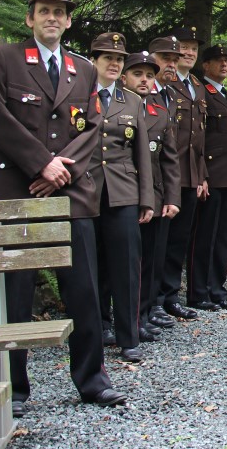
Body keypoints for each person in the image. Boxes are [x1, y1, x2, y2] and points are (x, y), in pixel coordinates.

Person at [0, 0, 127, 412]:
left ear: (67, 21)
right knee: (16, 292)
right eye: (44, 11)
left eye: (59, 12)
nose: (52, 18)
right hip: (16, 191)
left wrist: (59, 171)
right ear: (30, 18)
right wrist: (40, 163)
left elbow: (92, 126)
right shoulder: (4, 58)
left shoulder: (82, 69)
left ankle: (92, 381)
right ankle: (16, 387)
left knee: (82, 290)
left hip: (69, 194)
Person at [88, 33, 154, 364]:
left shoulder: (132, 101)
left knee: (127, 265)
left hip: (124, 191)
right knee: (93, 265)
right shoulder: (79, 94)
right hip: (86, 191)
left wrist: (146, 199)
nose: (113, 64)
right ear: (95, 61)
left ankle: (129, 337)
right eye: (107, 59)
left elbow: (142, 153)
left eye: (118, 60)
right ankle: (99, 327)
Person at [121, 48, 181, 334]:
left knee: (151, 262)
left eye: (148, 75)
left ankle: (143, 317)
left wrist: (172, 198)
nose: (144, 80)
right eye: (137, 74)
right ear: (123, 78)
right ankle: (117, 322)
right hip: (124, 195)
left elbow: (170, 160)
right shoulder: (113, 107)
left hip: (155, 197)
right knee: (124, 264)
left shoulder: (160, 111)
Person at [154, 26, 207, 321]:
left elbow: (199, 138)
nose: (188, 54)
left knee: (179, 241)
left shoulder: (197, 86)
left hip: (189, 175)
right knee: (161, 240)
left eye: (192, 50)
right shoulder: (162, 83)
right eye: (182, 49)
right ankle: (155, 299)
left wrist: (201, 176)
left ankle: (171, 296)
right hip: (165, 176)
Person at [189, 44, 227, 310]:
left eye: (226, 61)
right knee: (205, 237)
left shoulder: (225, 94)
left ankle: (217, 289)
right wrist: (202, 176)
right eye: (218, 61)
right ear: (205, 65)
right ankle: (199, 292)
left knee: (222, 238)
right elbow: (199, 139)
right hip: (211, 177)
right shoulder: (201, 92)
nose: (224, 65)